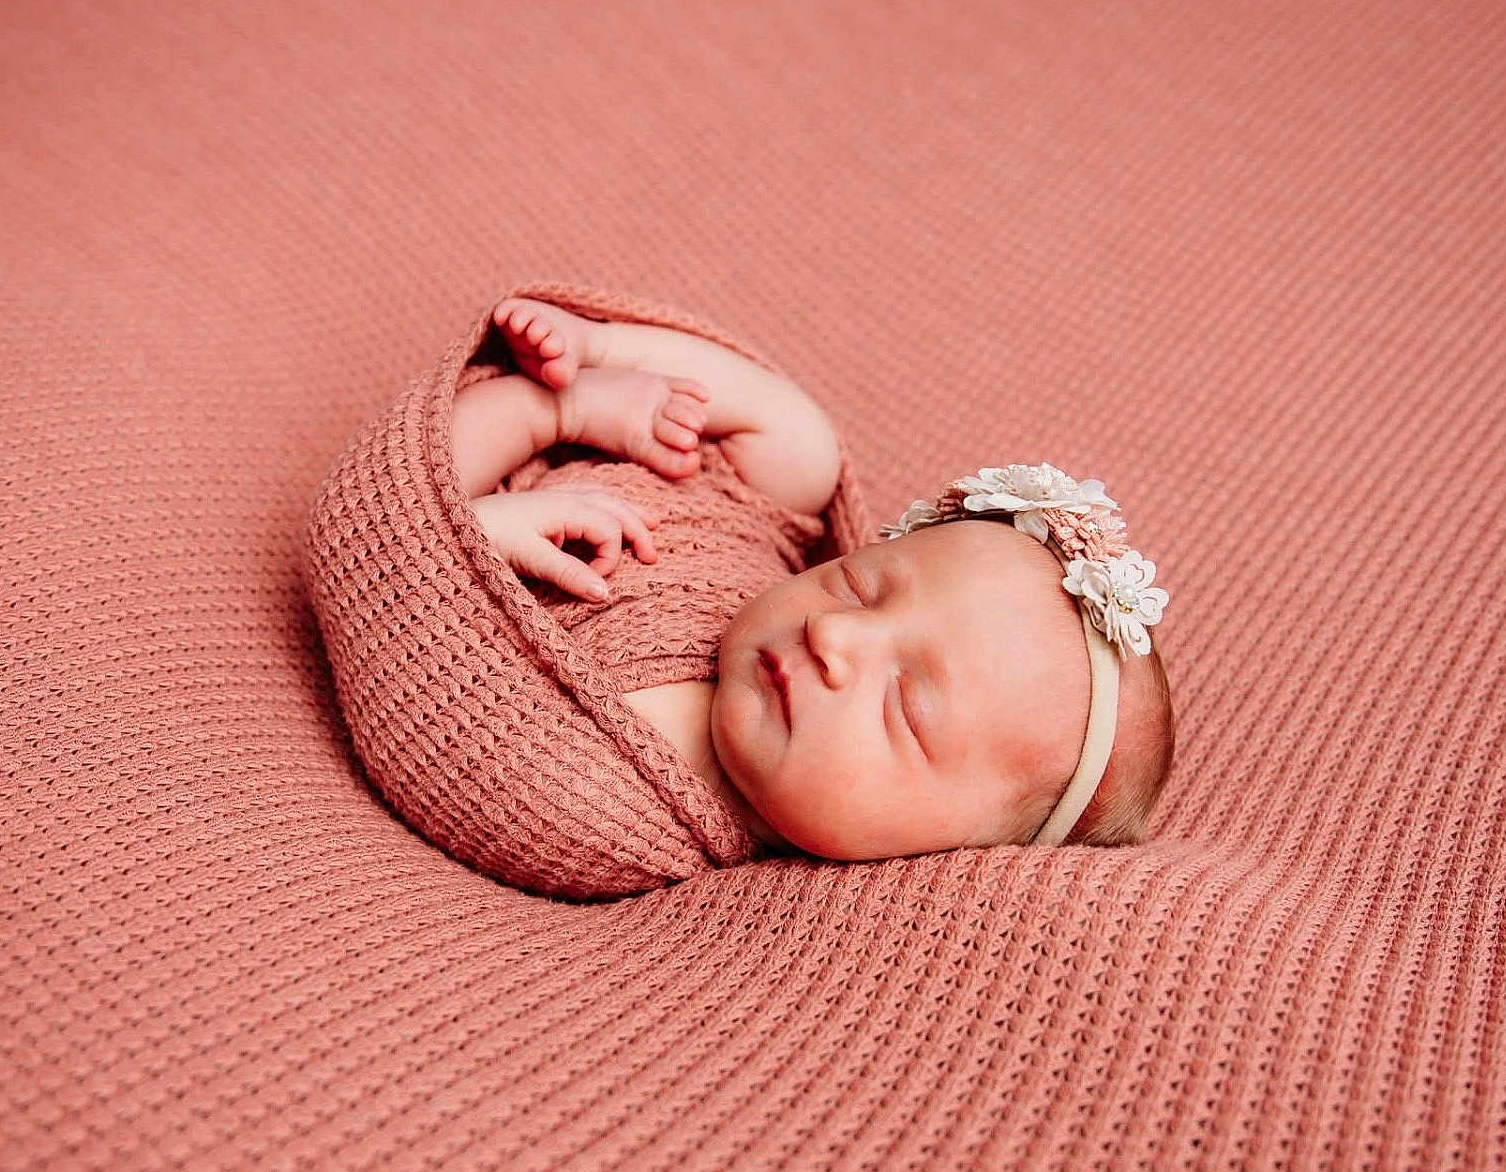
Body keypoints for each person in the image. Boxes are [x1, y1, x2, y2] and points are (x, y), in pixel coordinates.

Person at [446, 296, 1175, 863]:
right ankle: (598, 351)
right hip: (682, 478)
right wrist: (598, 363)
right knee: (806, 444)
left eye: (901, 702)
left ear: (948, 851)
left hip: (477, 513)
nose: (833, 631)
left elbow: (417, 661)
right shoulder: (771, 542)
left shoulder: (611, 799)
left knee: (420, 492)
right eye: (859, 585)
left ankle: (553, 406)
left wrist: (489, 510)